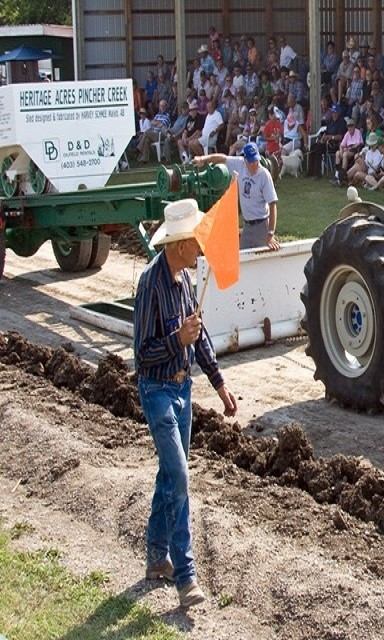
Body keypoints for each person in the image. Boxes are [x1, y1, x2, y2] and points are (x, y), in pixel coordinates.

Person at [134, 198, 238, 609]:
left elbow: (201, 337)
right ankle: (185, 574)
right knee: (179, 476)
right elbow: (143, 354)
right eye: (196, 241)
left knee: (169, 476)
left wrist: (220, 384)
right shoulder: (151, 284)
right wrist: (178, 339)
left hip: (183, 392)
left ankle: (155, 557)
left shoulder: (185, 281)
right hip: (157, 391)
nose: (201, 248)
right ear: (179, 245)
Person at [194, 143, 280, 250]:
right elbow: (223, 158)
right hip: (247, 225)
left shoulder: (264, 175)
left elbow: (272, 204)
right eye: (251, 162)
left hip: (261, 225)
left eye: (256, 161)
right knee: (242, 256)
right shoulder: (239, 164)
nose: (254, 164)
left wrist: (270, 233)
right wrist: (203, 159)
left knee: (262, 256)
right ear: (245, 160)